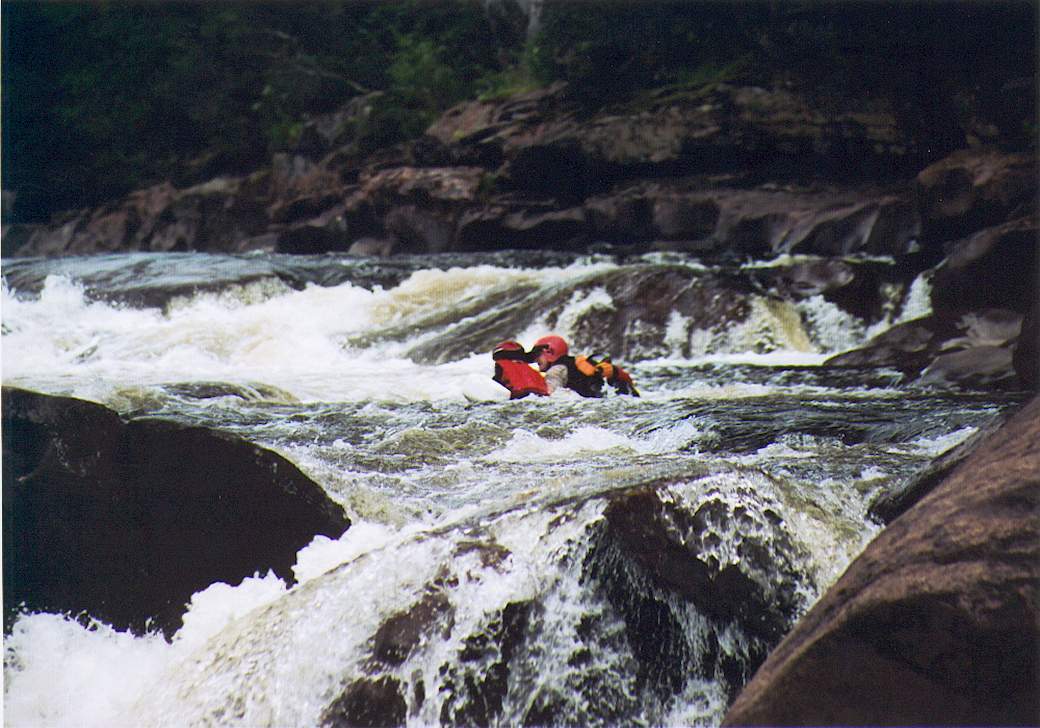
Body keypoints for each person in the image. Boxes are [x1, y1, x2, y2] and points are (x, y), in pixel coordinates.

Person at [492, 335, 639, 398]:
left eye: (538, 355)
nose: (536, 360)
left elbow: (550, 395)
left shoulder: (556, 370)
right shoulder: (575, 363)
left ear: (549, 352)